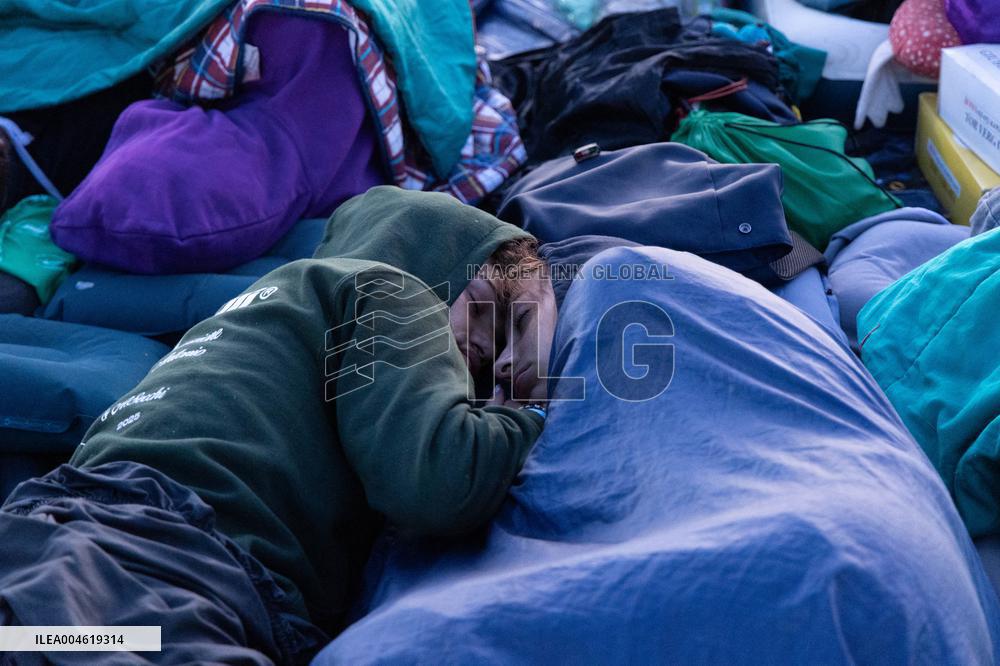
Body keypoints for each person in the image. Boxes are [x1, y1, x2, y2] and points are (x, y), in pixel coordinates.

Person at [0, 187, 547, 664]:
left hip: (53, 531)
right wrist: (526, 404)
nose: (484, 345)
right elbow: (436, 484)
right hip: (160, 568)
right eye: (485, 305)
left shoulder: (256, 311)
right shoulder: (393, 291)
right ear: (439, 259)